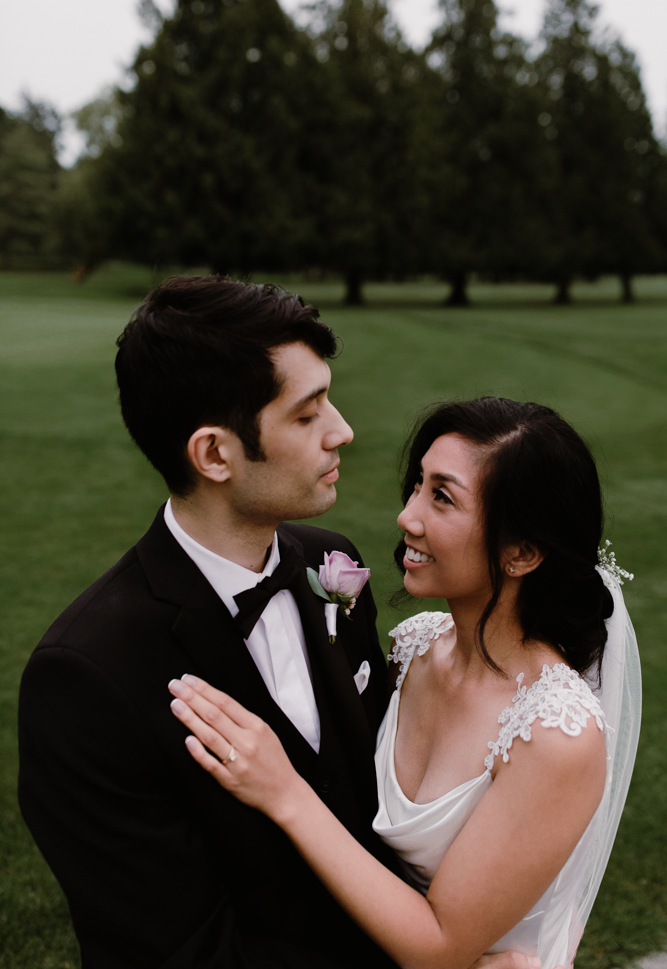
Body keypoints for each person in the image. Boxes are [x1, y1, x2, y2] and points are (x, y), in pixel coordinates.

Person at [18, 278, 532, 969]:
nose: (342, 430)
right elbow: (181, 954)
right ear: (214, 455)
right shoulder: (86, 676)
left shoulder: (333, 564)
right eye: (306, 413)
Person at [166, 398, 642, 969]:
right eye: (418, 484)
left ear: (521, 553)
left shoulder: (554, 735)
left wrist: (284, 791)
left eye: (442, 497)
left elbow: (438, 947)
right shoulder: (413, 647)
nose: (407, 516)